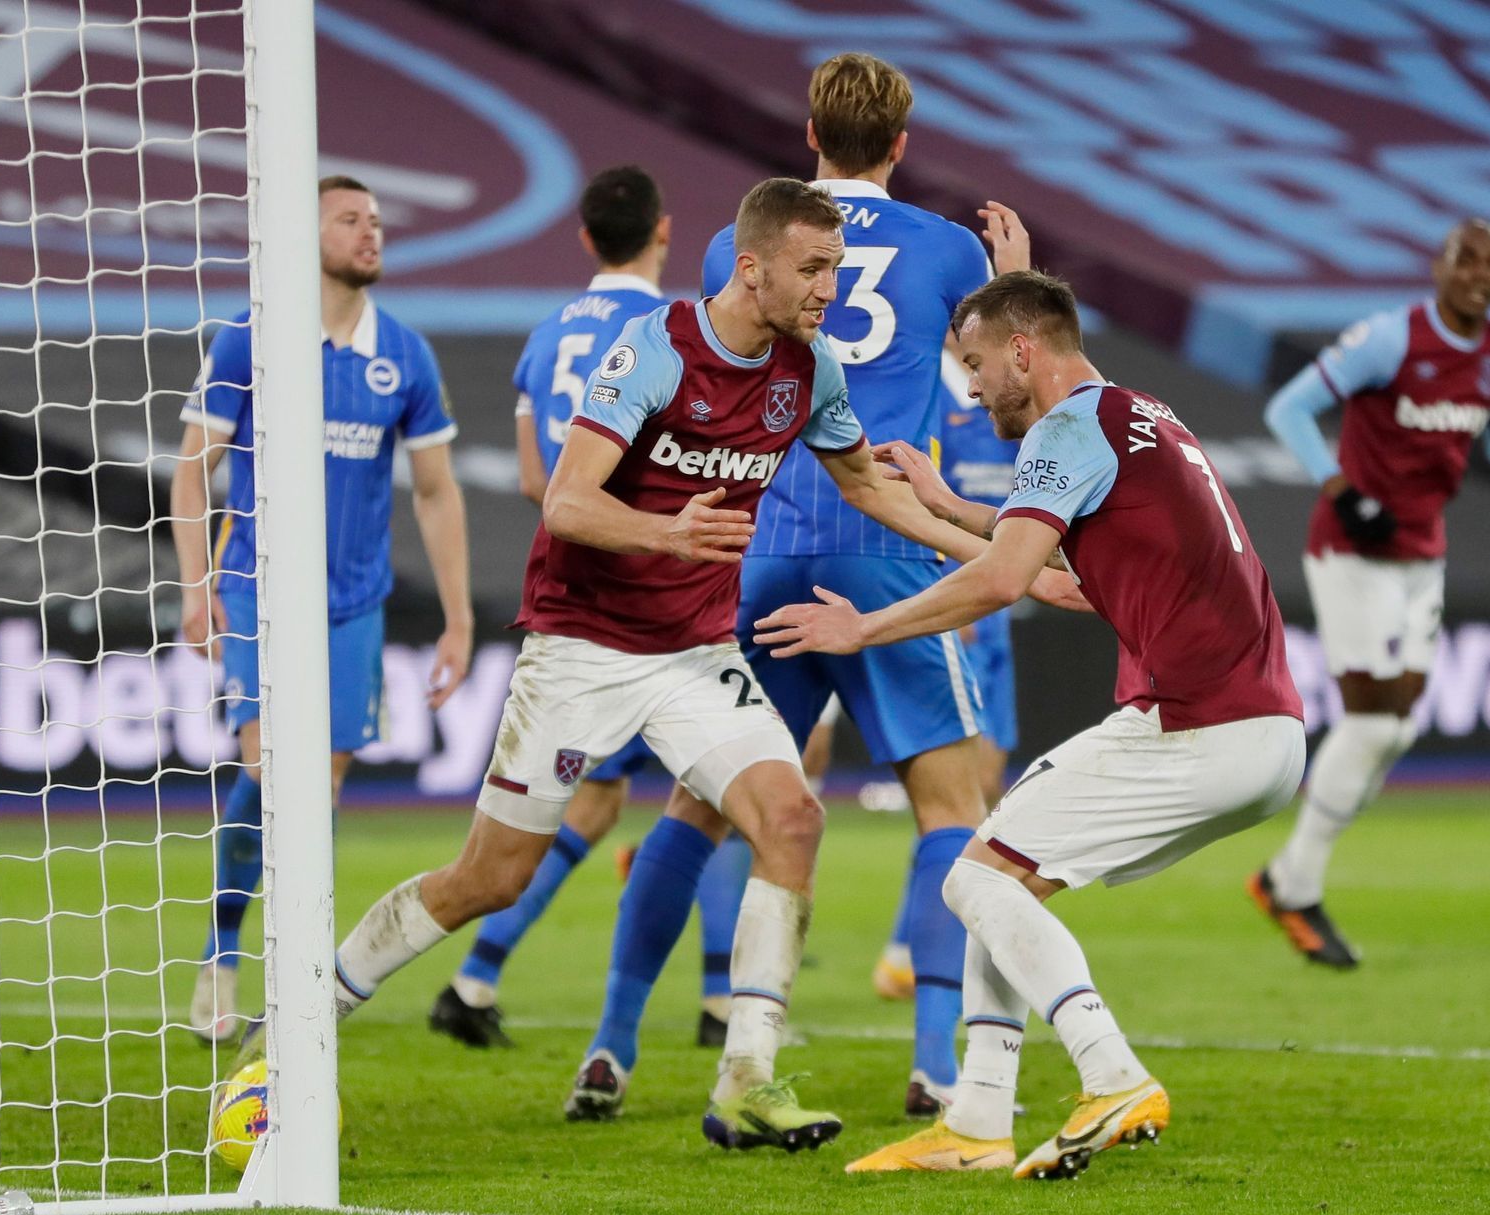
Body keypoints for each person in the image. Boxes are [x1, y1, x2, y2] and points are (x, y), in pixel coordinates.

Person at [310, 178, 1069, 1156]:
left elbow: (875, 493)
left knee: (789, 816)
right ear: (749, 270)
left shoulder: (808, 369)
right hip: (581, 646)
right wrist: (665, 532)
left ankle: (747, 1080)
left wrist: (1009, 567)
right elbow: (568, 504)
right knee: (489, 878)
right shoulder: (655, 349)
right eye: (812, 269)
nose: (829, 288)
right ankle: (306, 1017)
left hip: (692, 651)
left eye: (834, 268)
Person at [565, 51, 1033, 1123]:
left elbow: (713, 365)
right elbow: (998, 372)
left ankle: (611, 1043)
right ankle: (933, 1061)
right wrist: (1013, 276)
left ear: (806, 136)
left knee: (698, 802)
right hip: (885, 538)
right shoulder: (948, 246)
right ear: (902, 145)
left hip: (763, 540)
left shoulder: (748, 244)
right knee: (950, 807)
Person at [758, 270, 1305, 1179]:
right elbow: (1056, 574)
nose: (969, 388)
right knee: (997, 875)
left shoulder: (1065, 428)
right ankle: (975, 1121)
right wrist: (944, 503)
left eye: (975, 364)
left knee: (972, 881)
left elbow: (1004, 581)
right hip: (1257, 725)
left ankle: (1111, 1071)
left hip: (1199, 720)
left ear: (1023, 351)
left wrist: (864, 628)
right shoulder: (1136, 414)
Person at [426, 166, 748, 1054]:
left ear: (582, 239)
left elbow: (541, 483)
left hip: (576, 597)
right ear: (663, 233)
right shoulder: (680, 335)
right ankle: (722, 1001)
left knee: (588, 807)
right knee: (720, 789)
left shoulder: (546, 337)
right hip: (670, 597)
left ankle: (477, 973)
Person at [175, 175, 472, 1044]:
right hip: (257, 589)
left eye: (377, 220)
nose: (370, 232)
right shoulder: (251, 336)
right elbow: (193, 465)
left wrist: (457, 618)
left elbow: (436, 491)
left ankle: (294, 969)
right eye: (349, 219)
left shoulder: (404, 355)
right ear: (302, 236)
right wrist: (196, 585)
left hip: (353, 605)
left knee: (324, 791)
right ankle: (224, 952)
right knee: (273, 779)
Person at [1250, 219, 1490, 969]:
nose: (1479, 276)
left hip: (1421, 553)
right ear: (1437, 268)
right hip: (1353, 551)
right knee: (1372, 725)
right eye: (1465, 261)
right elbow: (1288, 409)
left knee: (1395, 730)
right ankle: (1291, 884)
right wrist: (1339, 488)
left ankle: (1289, 875)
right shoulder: (1387, 340)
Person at [872, 353, 1019, 1001]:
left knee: (985, 779)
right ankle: (911, 952)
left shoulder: (1017, 385)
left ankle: (916, 945)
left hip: (1002, 594)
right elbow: (907, 491)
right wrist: (945, 585)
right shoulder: (924, 382)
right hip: (960, 585)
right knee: (957, 788)